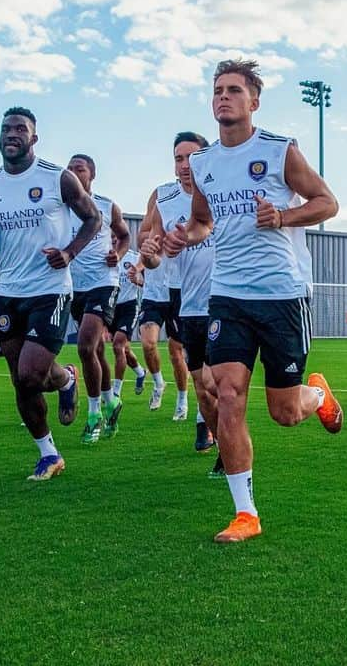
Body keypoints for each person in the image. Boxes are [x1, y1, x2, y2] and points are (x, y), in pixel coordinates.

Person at [163, 60, 343, 544]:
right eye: (218, 90)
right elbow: (202, 221)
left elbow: (327, 202)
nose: (223, 97)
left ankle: (318, 395)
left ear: (253, 101)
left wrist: (283, 216)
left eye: (234, 90)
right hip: (228, 296)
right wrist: (187, 236)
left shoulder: (280, 150)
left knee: (284, 413)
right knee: (226, 395)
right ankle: (246, 514)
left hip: (281, 296)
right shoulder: (203, 165)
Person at [0, 106, 101, 479]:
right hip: (9, 292)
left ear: (34, 138)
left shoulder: (59, 178)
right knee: (20, 380)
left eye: (20, 129)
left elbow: (93, 219)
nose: (11, 134)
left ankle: (66, 378)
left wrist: (69, 252)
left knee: (32, 373)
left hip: (50, 290)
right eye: (6, 129)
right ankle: (49, 454)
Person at [141, 131, 220, 455]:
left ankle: (228, 450)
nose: (185, 165)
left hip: (227, 299)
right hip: (190, 303)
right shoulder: (166, 202)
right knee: (202, 384)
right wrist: (149, 253)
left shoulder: (222, 192)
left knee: (221, 384)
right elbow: (155, 254)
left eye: (192, 157)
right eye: (179, 158)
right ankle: (208, 425)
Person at [66, 154, 131, 443]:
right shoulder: (60, 207)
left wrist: (118, 254)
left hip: (104, 282)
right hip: (72, 286)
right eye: (69, 169)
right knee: (97, 352)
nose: (73, 172)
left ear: (91, 175)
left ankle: (93, 415)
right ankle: (112, 401)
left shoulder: (106, 205)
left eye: (79, 168)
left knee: (84, 346)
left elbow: (125, 236)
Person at [137, 192, 191, 418]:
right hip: (155, 287)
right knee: (148, 343)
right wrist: (143, 261)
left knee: (176, 351)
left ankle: (182, 398)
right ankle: (158, 383)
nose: (184, 166)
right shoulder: (162, 196)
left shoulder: (203, 194)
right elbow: (143, 236)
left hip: (181, 286)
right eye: (179, 159)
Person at [110, 250, 147, 400]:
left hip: (129, 307)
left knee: (118, 346)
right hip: (110, 307)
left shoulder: (135, 257)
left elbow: (148, 282)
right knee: (124, 350)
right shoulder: (105, 254)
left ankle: (115, 392)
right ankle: (140, 372)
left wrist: (139, 281)